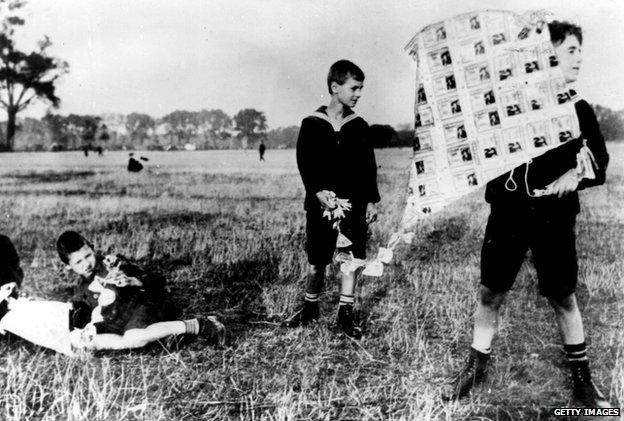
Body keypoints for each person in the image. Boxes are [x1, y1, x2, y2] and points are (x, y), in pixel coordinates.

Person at [446, 21, 611, 408]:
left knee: (563, 296)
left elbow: (599, 161)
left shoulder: (578, 107)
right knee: (491, 291)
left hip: (554, 217)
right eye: (571, 50)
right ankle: (475, 366)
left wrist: (576, 174)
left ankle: (583, 383)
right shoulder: (505, 104)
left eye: (579, 50)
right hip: (508, 212)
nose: (579, 57)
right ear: (545, 55)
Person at [285, 60, 380, 339]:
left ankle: (345, 313)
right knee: (317, 259)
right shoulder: (312, 123)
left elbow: (368, 166)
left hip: (354, 203)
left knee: (351, 258)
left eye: (361, 88)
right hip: (321, 203)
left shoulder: (359, 125)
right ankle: (310, 307)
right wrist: (316, 191)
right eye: (354, 88)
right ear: (335, 87)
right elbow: (305, 162)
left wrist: (371, 201)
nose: (358, 94)